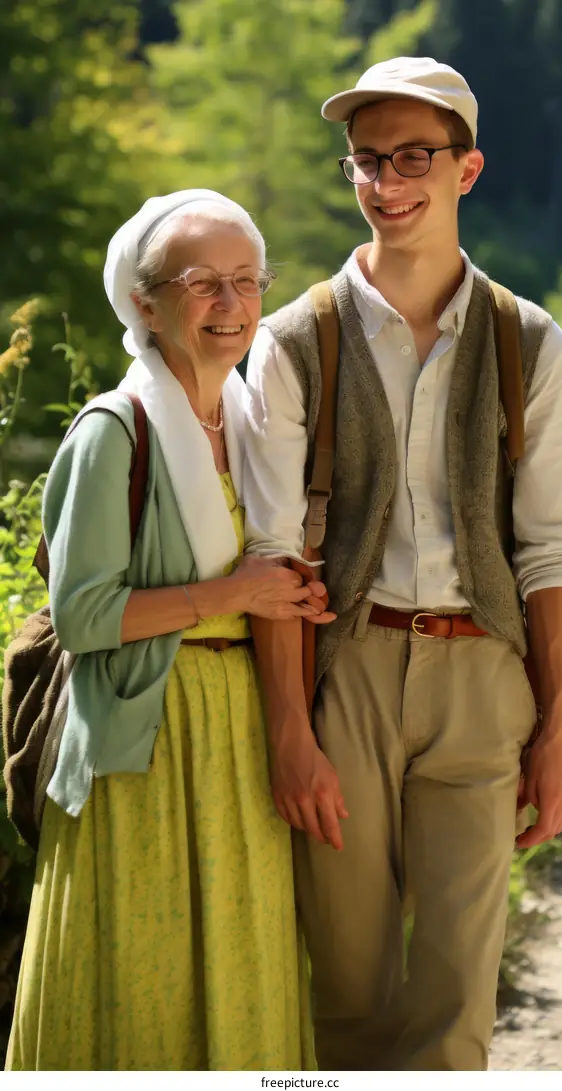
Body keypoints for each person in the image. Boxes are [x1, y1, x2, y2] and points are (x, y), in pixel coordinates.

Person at [243, 58, 562, 1070]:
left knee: (453, 1007)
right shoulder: (293, 338)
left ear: (467, 169)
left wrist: (561, 725)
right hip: (346, 673)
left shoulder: (530, 339)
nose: (387, 184)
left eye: (413, 158)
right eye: (366, 161)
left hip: (483, 682)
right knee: (345, 994)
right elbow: (272, 554)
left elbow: (551, 549)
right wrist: (290, 729)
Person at [6, 189, 325, 1071]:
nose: (231, 305)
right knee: (139, 985)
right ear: (144, 304)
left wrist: (287, 596)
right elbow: (83, 615)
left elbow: (258, 581)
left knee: (238, 968)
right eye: (203, 284)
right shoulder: (113, 431)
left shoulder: (254, 425)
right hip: (145, 744)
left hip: (236, 734)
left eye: (247, 281)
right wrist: (240, 592)